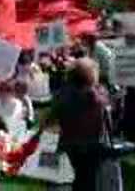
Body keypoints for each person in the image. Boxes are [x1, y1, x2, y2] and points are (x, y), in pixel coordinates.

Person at [40, 57, 117, 191]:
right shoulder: (98, 97)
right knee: (87, 181)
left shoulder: (62, 96)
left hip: (68, 145)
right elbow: (107, 122)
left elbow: (50, 121)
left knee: (67, 181)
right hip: (92, 146)